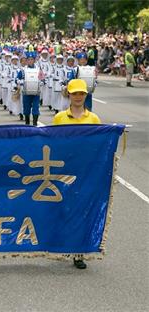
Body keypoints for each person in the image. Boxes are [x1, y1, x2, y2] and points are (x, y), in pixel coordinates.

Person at [53, 79, 101, 270]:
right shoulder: (60, 118)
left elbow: (100, 145)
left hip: (86, 170)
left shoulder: (94, 119)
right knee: (66, 209)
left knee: (82, 210)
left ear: (86, 96)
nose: (78, 97)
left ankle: (78, 252)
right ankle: (64, 242)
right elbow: (54, 143)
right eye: (75, 94)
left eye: (81, 94)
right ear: (69, 95)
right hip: (65, 169)